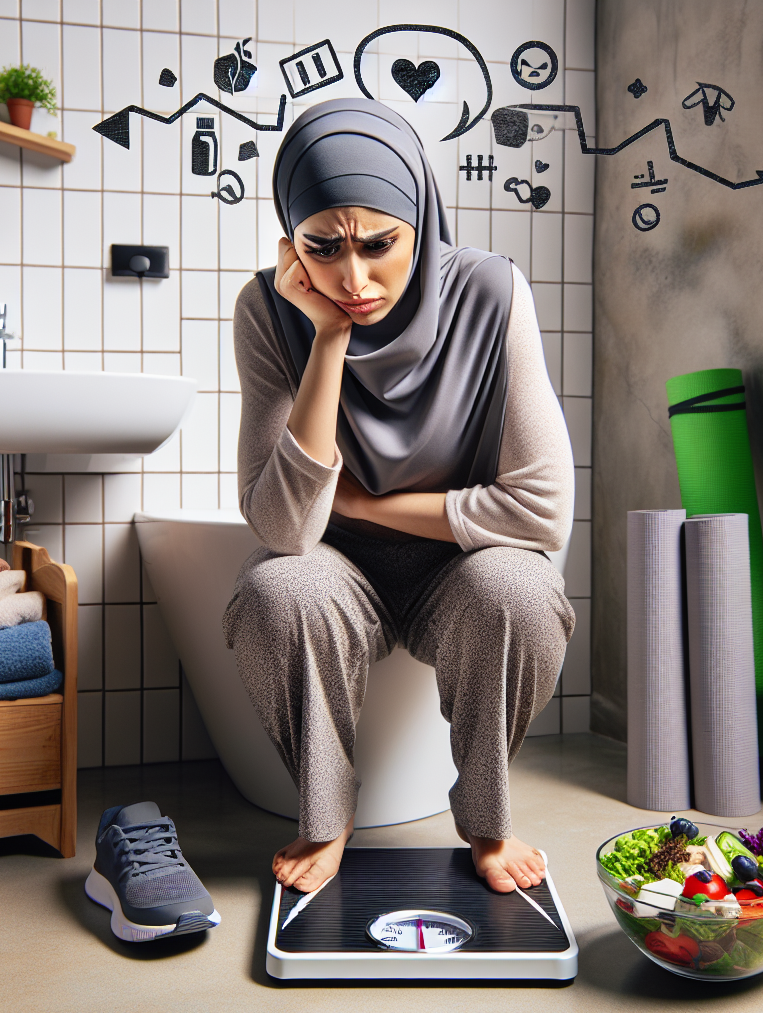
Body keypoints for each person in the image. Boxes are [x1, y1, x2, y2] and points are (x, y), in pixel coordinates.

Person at [223, 99, 575, 895]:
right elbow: (284, 528)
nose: (353, 279)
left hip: (460, 568)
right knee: (277, 590)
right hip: (335, 573)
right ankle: (326, 814)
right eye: (322, 248)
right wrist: (327, 338)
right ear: (291, 242)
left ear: (419, 218)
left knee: (521, 588)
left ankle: (488, 819)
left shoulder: (492, 294)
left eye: (381, 245)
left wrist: (365, 503)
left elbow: (543, 510)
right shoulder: (267, 310)